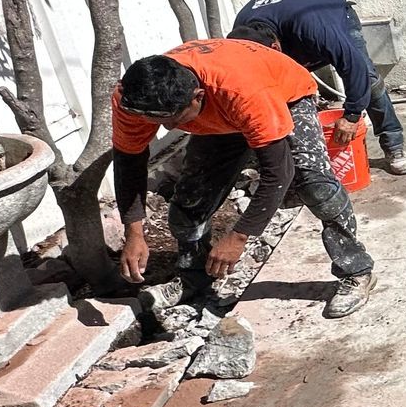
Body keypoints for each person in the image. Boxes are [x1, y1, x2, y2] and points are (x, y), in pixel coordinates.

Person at [111, 38, 376, 319]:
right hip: (221, 112)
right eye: (159, 121)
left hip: (285, 95)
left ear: (197, 96)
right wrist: (134, 232)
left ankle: (357, 271)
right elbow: (128, 163)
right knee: (192, 197)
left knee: (314, 184)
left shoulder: (243, 90)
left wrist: (238, 237)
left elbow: (278, 172)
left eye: (175, 119)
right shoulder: (133, 99)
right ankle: (193, 279)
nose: (168, 128)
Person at [228, 0, 406, 175]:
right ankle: (299, 153)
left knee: (367, 78)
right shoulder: (240, 35)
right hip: (288, 19)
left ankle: (393, 145)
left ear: (275, 47)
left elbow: (354, 67)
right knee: (283, 88)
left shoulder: (315, 30)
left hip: (333, 12)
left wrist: (352, 116)